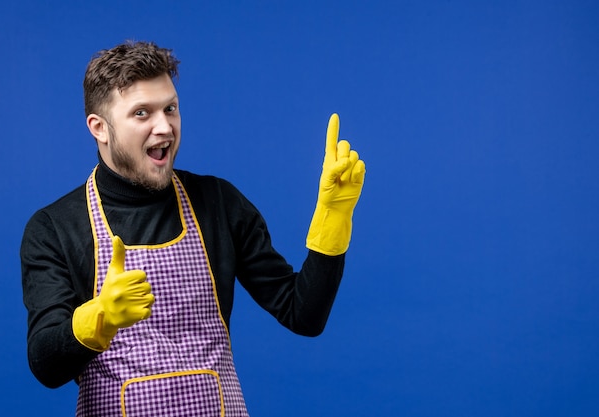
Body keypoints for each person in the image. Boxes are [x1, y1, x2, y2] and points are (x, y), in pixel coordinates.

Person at [21, 40, 365, 416]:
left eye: (170, 108)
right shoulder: (54, 228)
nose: (164, 126)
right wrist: (98, 319)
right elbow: (46, 365)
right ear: (99, 128)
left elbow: (304, 315)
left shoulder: (218, 202)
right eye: (141, 113)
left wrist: (334, 219)